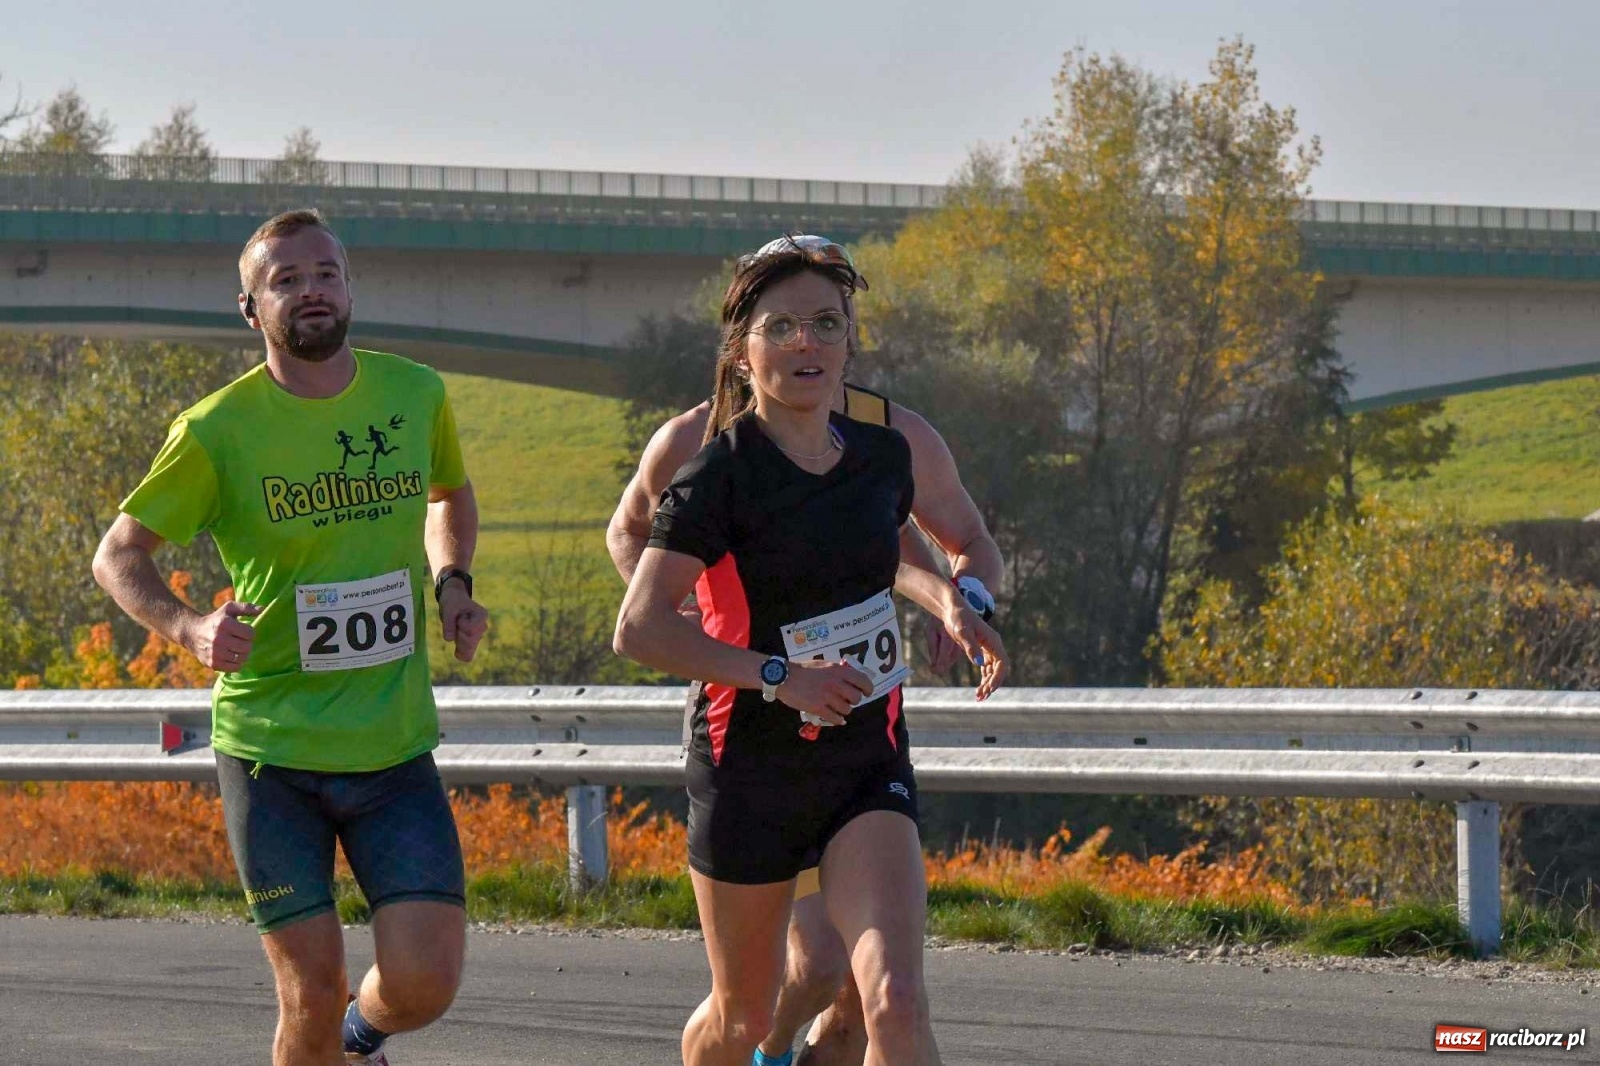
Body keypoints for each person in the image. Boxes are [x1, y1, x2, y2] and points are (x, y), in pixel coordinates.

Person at [92, 208, 489, 1066]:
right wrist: (189, 626)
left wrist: (452, 583)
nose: (311, 291)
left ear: (349, 289)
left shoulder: (415, 394)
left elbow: (448, 494)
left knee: (425, 982)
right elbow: (117, 555)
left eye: (326, 274)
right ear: (251, 309)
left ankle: (360, 1038)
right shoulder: (215, 430)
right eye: (286, 280)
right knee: (309, 989)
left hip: (392, 748)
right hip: (271, 753)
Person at [606, 235, 1005, 1066]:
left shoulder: (885, 453)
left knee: (893, 1000)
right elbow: (638, 623)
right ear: (742, 350)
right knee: (744, 1016)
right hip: (750, 764)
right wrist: (768, 670)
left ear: (851, 339)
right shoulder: (710, 468)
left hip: (864, 756)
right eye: (782, 327)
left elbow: (885, 558)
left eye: (826, 323)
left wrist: (955, 604)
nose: (806, 343)